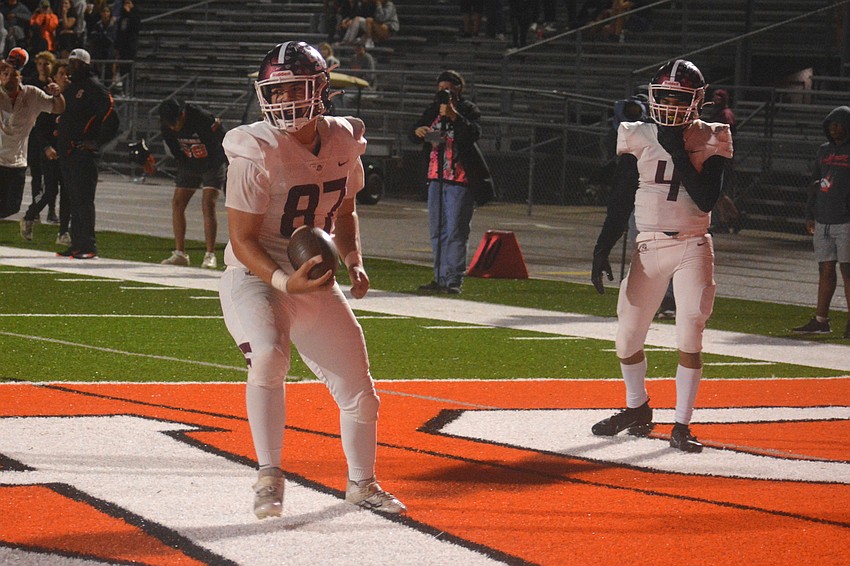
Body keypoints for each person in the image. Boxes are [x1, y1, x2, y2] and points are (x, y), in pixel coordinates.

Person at [218, 40, 405, 519]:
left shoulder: (345, 139)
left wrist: (354, 257)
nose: (283, 102)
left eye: (293, 89)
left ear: (321, 88)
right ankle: (269, 475)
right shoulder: (254, 148)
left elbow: (346, 207)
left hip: (315, 279)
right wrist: (283, 281)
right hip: (257, 277)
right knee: (268, 357)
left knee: (361, 392)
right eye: (275, 92)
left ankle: (362, 485)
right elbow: (241, 239)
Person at [589, 59, 733, 453]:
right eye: (664, 95)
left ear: (696, 100)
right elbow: (620, 197)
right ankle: (637, 408)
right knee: (626, 338)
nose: (669, 103)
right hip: (648, 246)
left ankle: (682, 424)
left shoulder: (714, 134)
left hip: (691, 244)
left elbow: (706, 198)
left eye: (678, 96)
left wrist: (678, 151)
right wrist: (603, 245)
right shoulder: (636, 134)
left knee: (689, 333)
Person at [409, 70, 485, 294]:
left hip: (459, 177)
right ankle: (439, 277)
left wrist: (454, 117)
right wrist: (420, 132)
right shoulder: (433, 109)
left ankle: (453, 279)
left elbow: (472, 134)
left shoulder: (468, 109)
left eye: (449, 88)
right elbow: (417, 135)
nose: (444, 93)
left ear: (458, 89)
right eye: (441, 88)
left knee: (456, 231)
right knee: (438, 230)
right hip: (436, 176)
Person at [791, 106, 850, 339]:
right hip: (823, 219)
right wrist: (809, 213)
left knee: (847, 271)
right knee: (825, 270)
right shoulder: (823, 150)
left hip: (845, 221)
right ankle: (821, 320)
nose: (834, 129)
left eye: (839, 124)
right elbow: (814, 184)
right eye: (831, 125)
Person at [55, 48, 119, 258]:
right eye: (70, 62)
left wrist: (96, 142)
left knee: (83, 200)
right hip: (68, 151)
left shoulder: (94, 88)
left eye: (76, 63)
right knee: (74, 199)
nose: (71, 66)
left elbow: (112, 118)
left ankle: (88, 246)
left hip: (83, 153)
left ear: (85, 65)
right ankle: (77, 243)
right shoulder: (72, 88)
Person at [158, 98, 227, 269]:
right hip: (190, 162)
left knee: (208, 204)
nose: (174, 127)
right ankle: (180, 253)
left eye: (176, 122)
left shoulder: (202, 118)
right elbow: (175, 150)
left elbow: (223, 141)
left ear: (182, 114)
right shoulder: (167, 125)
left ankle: (210, 254)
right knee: (178, 203)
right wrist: (184, 165)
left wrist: (223, 165)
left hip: (212, 162)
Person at [0, 48, 63, 229]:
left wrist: (57, 94)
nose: (8, 77)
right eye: (5, 74)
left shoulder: (31, 94)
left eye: (13, 74)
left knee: (11, 207)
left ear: (20, 78)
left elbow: (58, 108)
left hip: (17, 161)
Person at [23, 50, 59, 225]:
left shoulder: (55, 86)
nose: (43, 67)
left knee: (52, 176)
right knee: (36, 174)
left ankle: (51, 210)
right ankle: (36, 208)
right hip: (35, 134)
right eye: (40, 64)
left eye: (47, 64)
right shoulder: (31, 84)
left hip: (52, 134)